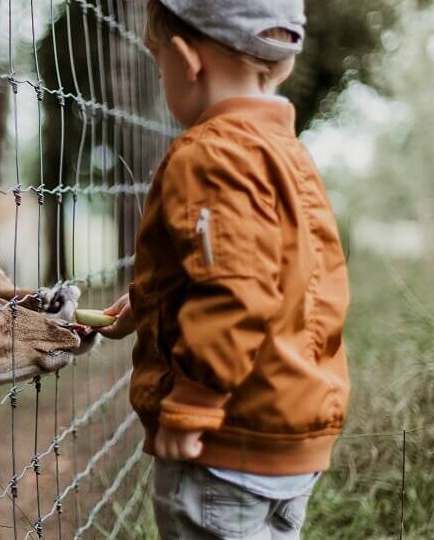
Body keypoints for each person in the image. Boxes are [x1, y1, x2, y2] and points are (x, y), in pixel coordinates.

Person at [97, 0, 350, 537]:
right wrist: (146, 304)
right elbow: (288, 278)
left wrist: (194, 403)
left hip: (223, 441)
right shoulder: (287, 152)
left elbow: (235, 289)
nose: (162, 74)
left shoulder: (209, 155)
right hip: (288, 434)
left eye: (158, 59)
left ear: (188, 60)